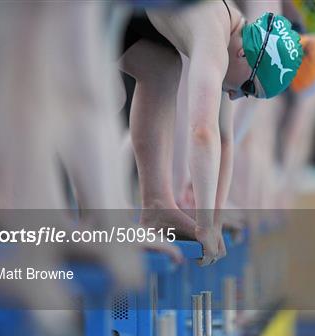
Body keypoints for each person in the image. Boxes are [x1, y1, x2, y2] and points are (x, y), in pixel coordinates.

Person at [118, 0, 303, 265]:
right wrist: (204, 225)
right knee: (107, 97)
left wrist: (214, 218)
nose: (237, 96)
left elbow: (225, 141)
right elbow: (203, 131)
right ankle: (94, 218)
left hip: (128, 14)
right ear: (242, 54)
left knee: (161, 69)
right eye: (248, 87)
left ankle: (158, 205)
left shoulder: (232, 28)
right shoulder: (215, 32)